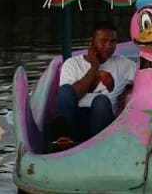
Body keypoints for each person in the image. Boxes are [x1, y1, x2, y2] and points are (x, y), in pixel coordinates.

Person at [52, 21, 135, 149]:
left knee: (101, 101)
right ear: (91, 42)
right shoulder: (72, 64)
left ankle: (96, 147)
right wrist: (94, 68)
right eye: (103, 41)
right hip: (74, 121)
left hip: (101, 124)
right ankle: (62, 142)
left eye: (113, 41)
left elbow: (147, 80)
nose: (108, 46)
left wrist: (129, 90)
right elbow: (73, 95)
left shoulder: (124, 64)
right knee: (66, 90)